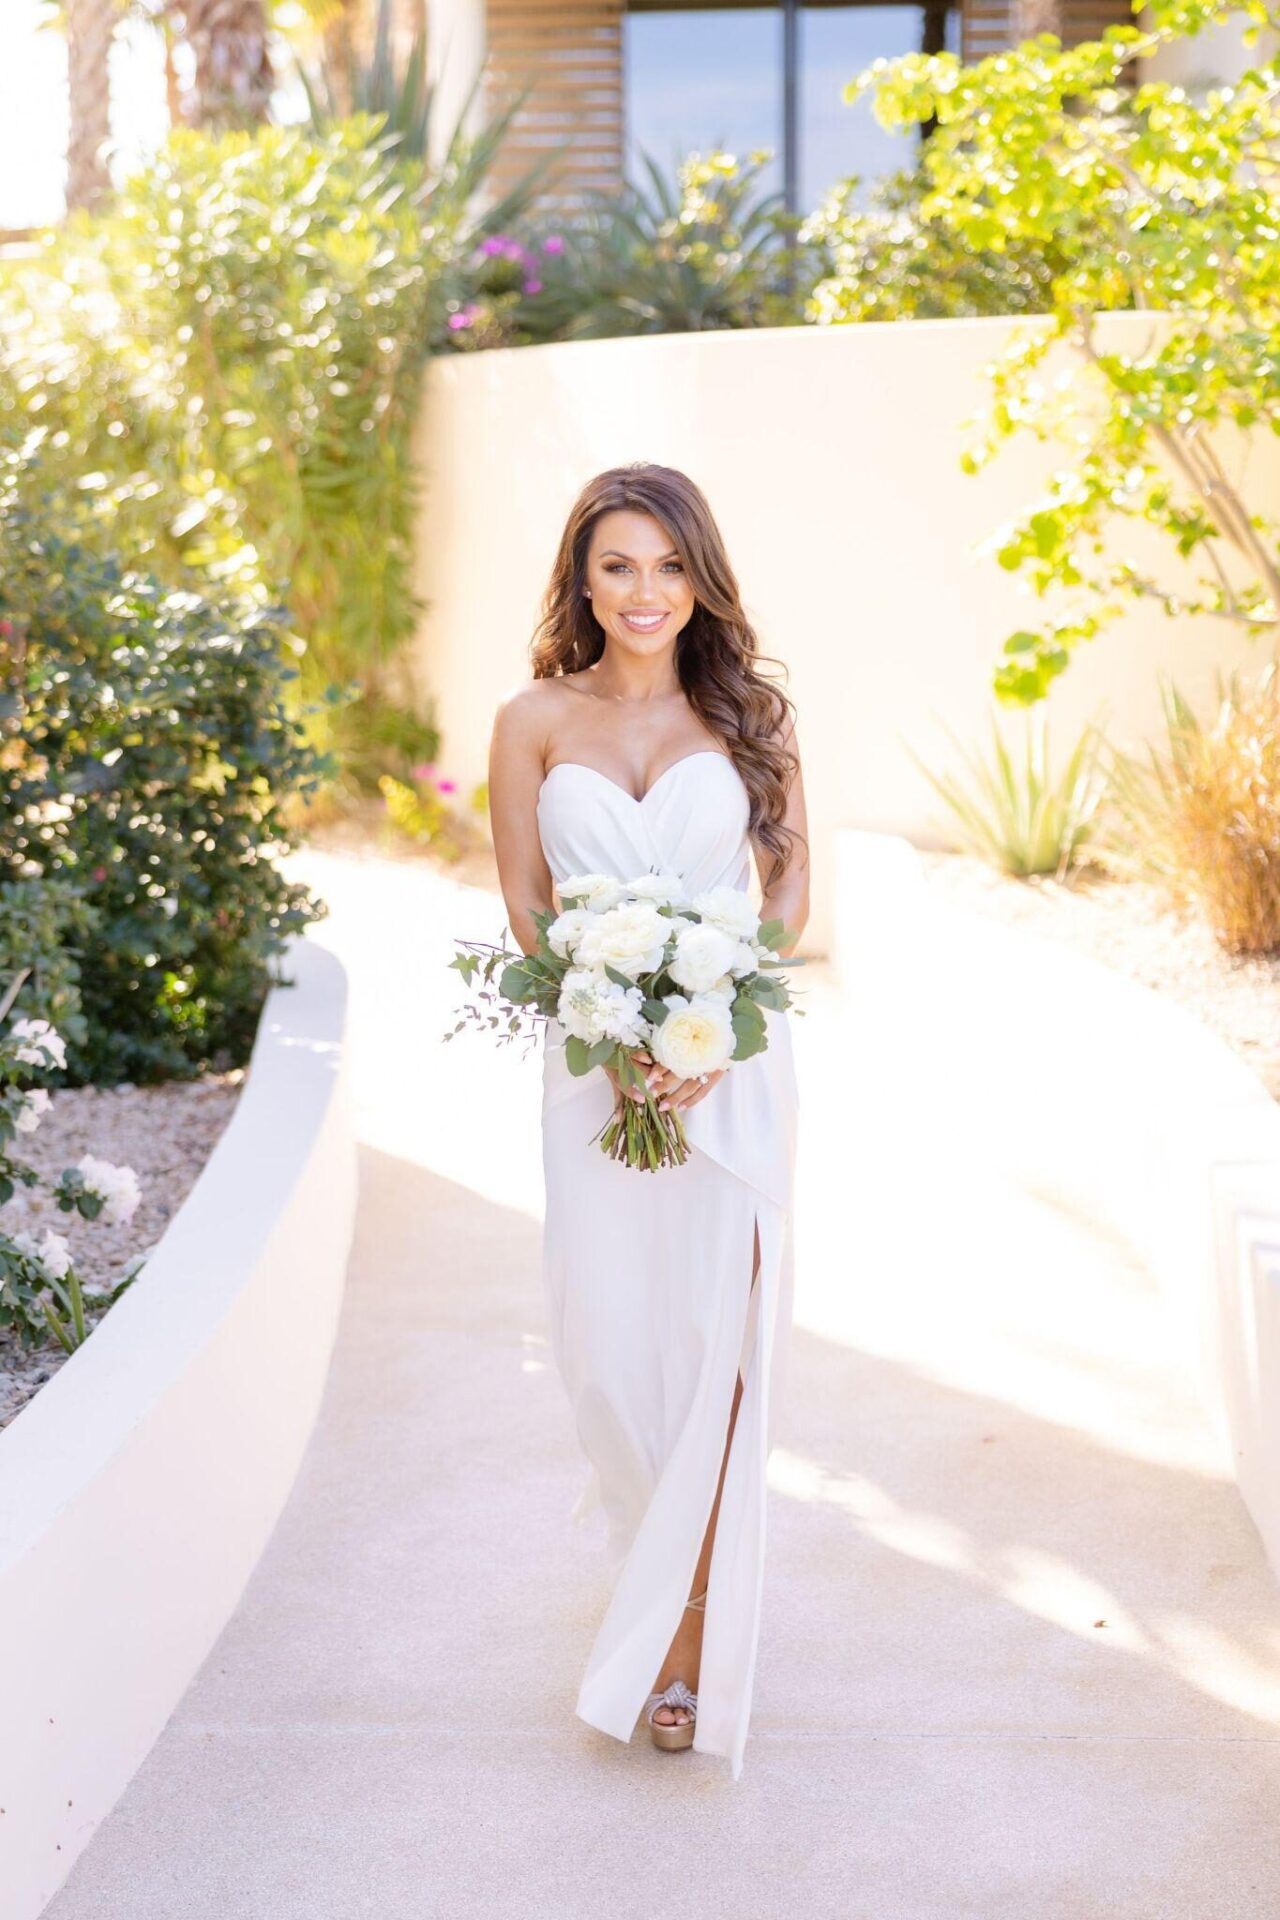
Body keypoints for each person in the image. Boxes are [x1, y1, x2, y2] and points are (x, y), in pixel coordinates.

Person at [487, 461, 808, 1779]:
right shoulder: (530, 720)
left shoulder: (750, 718)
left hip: (732, 1076)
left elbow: (787, 902)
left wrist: (710, 1044)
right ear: (581, 577)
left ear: (700, 579)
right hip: (593, 1073)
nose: (645, 593)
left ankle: (684, 1647)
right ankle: (650, 1562)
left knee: (715, 1353)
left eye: (669, 566)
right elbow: (524, 902)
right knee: (613, 1358)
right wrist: (615, 1035)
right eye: (618, 565)